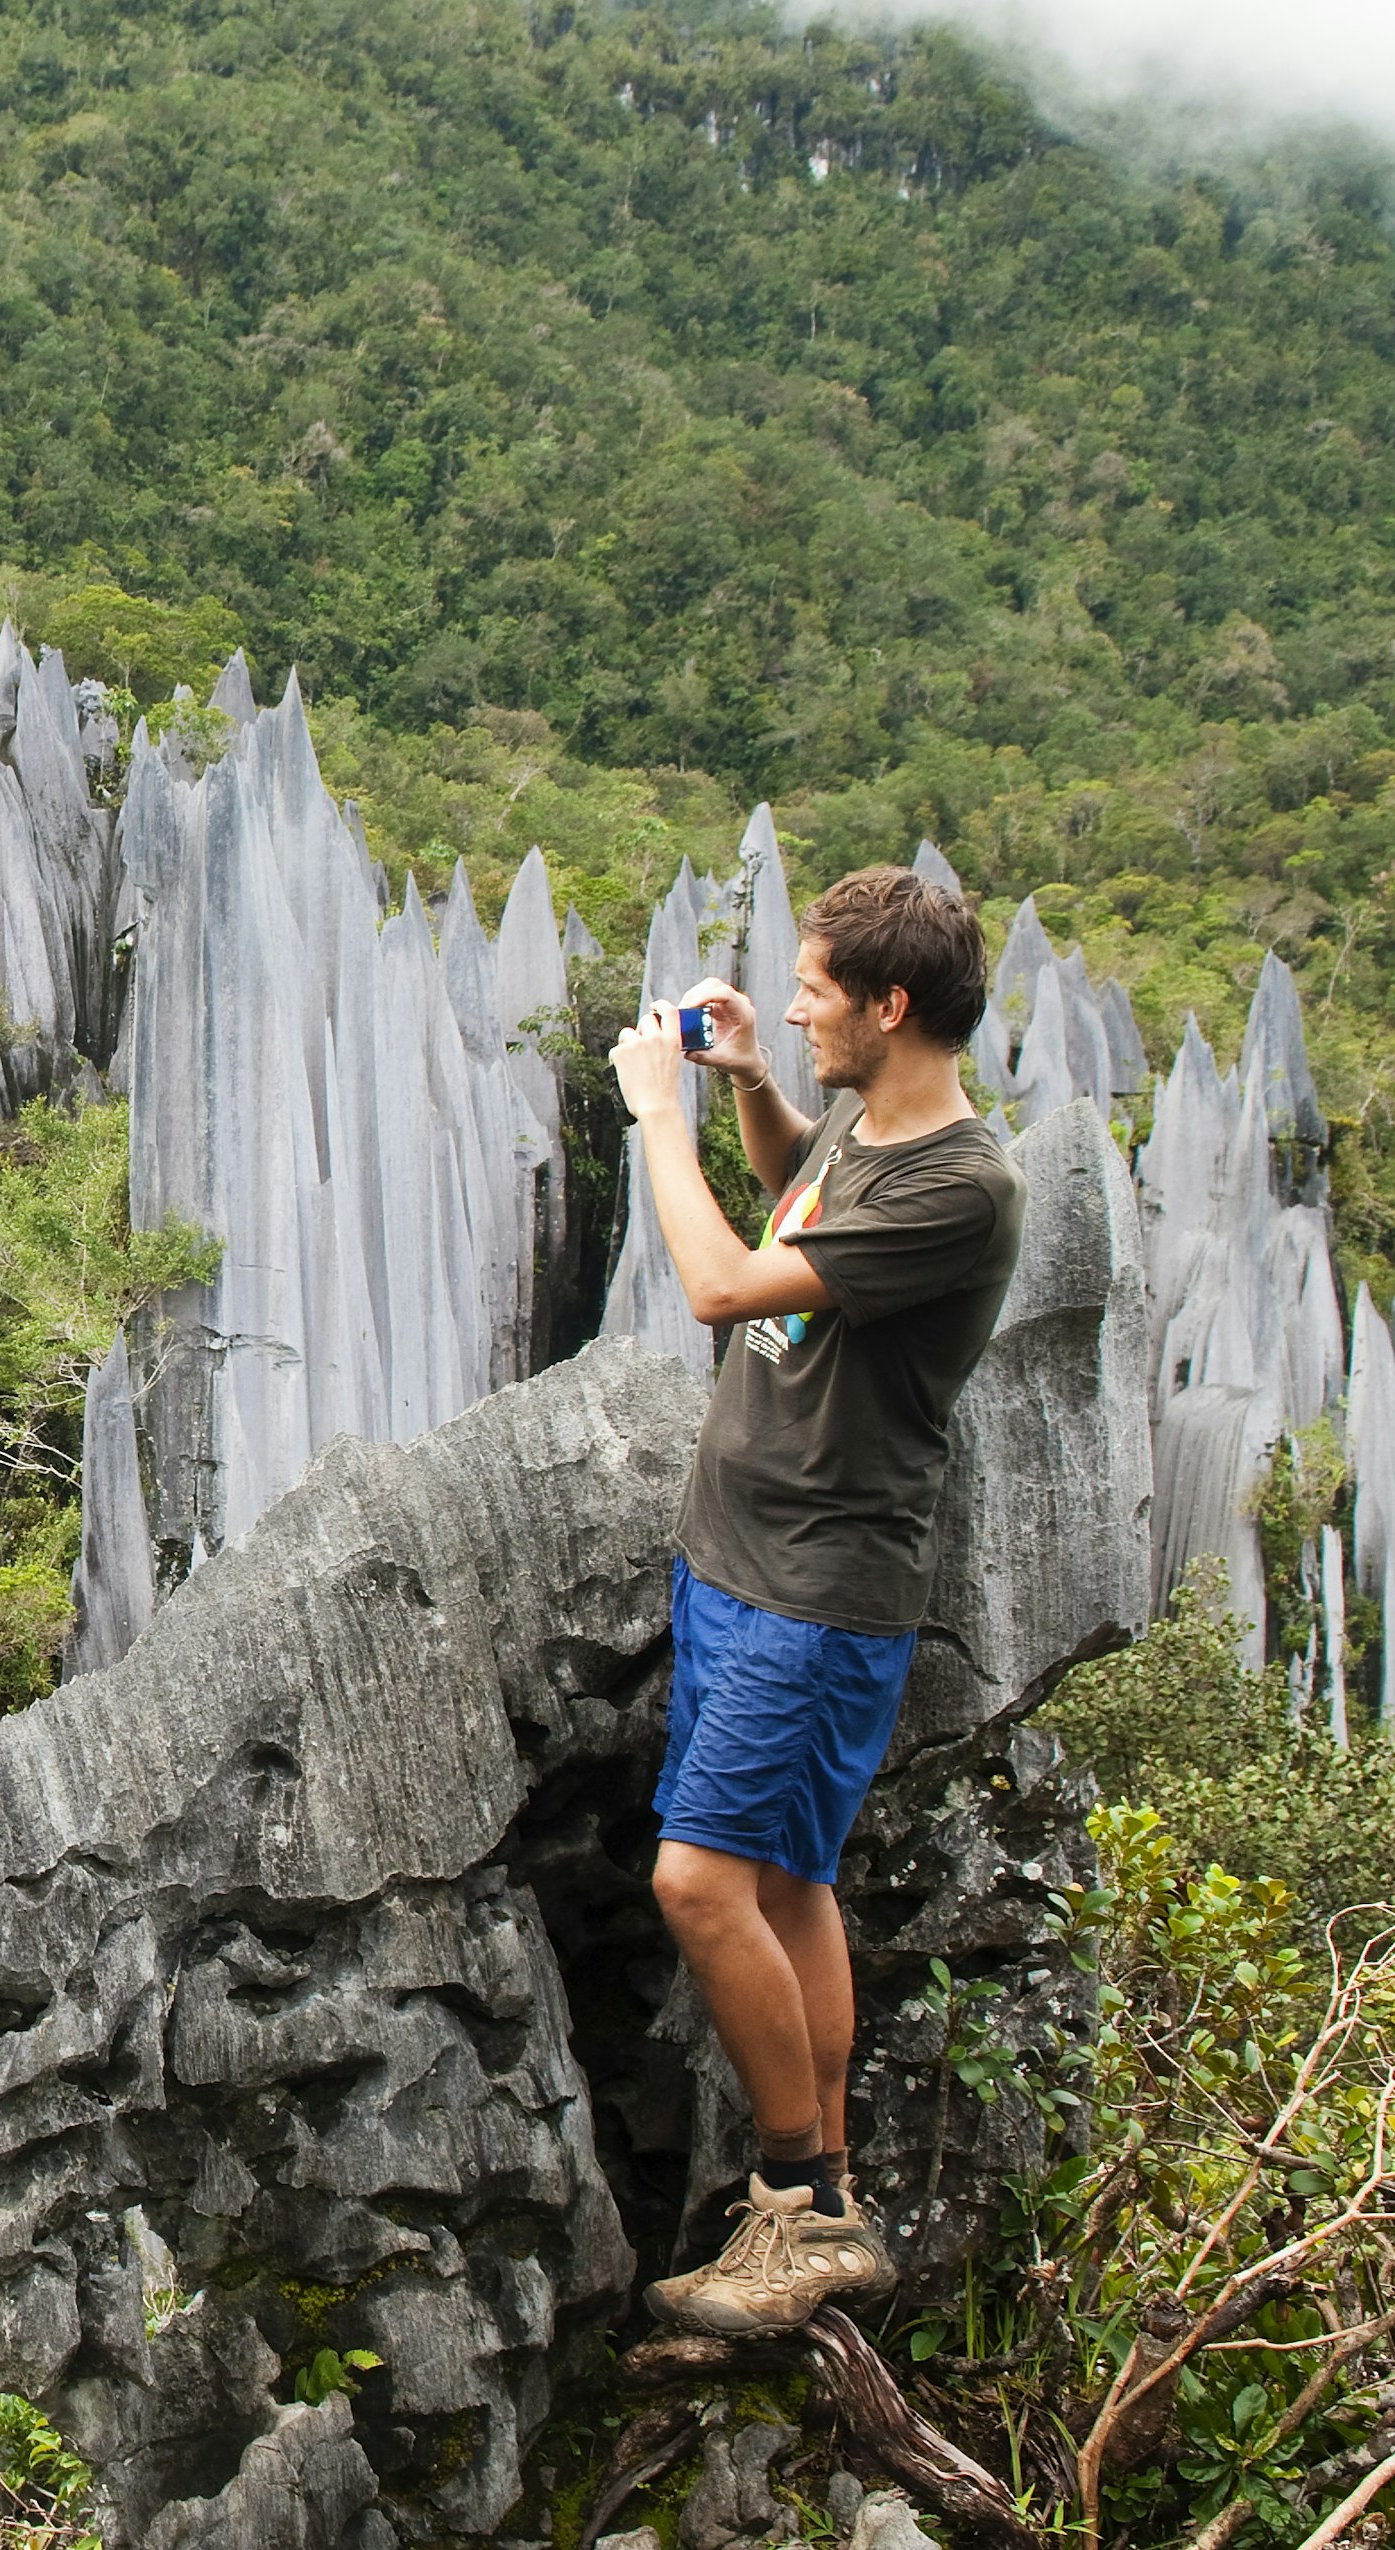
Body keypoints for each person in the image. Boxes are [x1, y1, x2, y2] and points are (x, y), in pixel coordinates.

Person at [606, 863, 1023, 2336]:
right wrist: (750, 1084)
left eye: (814, 993)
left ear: (892, 1005)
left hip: (817, 1596)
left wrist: (659, 1112)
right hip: (746, 1560)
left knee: (697, 1881)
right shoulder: (874, 1122)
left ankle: (805, 2209)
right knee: (786, 1881)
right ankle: (824, 2185)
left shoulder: (962, 1189)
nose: (792, 1001)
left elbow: (729, 1284)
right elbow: (808, 1200)